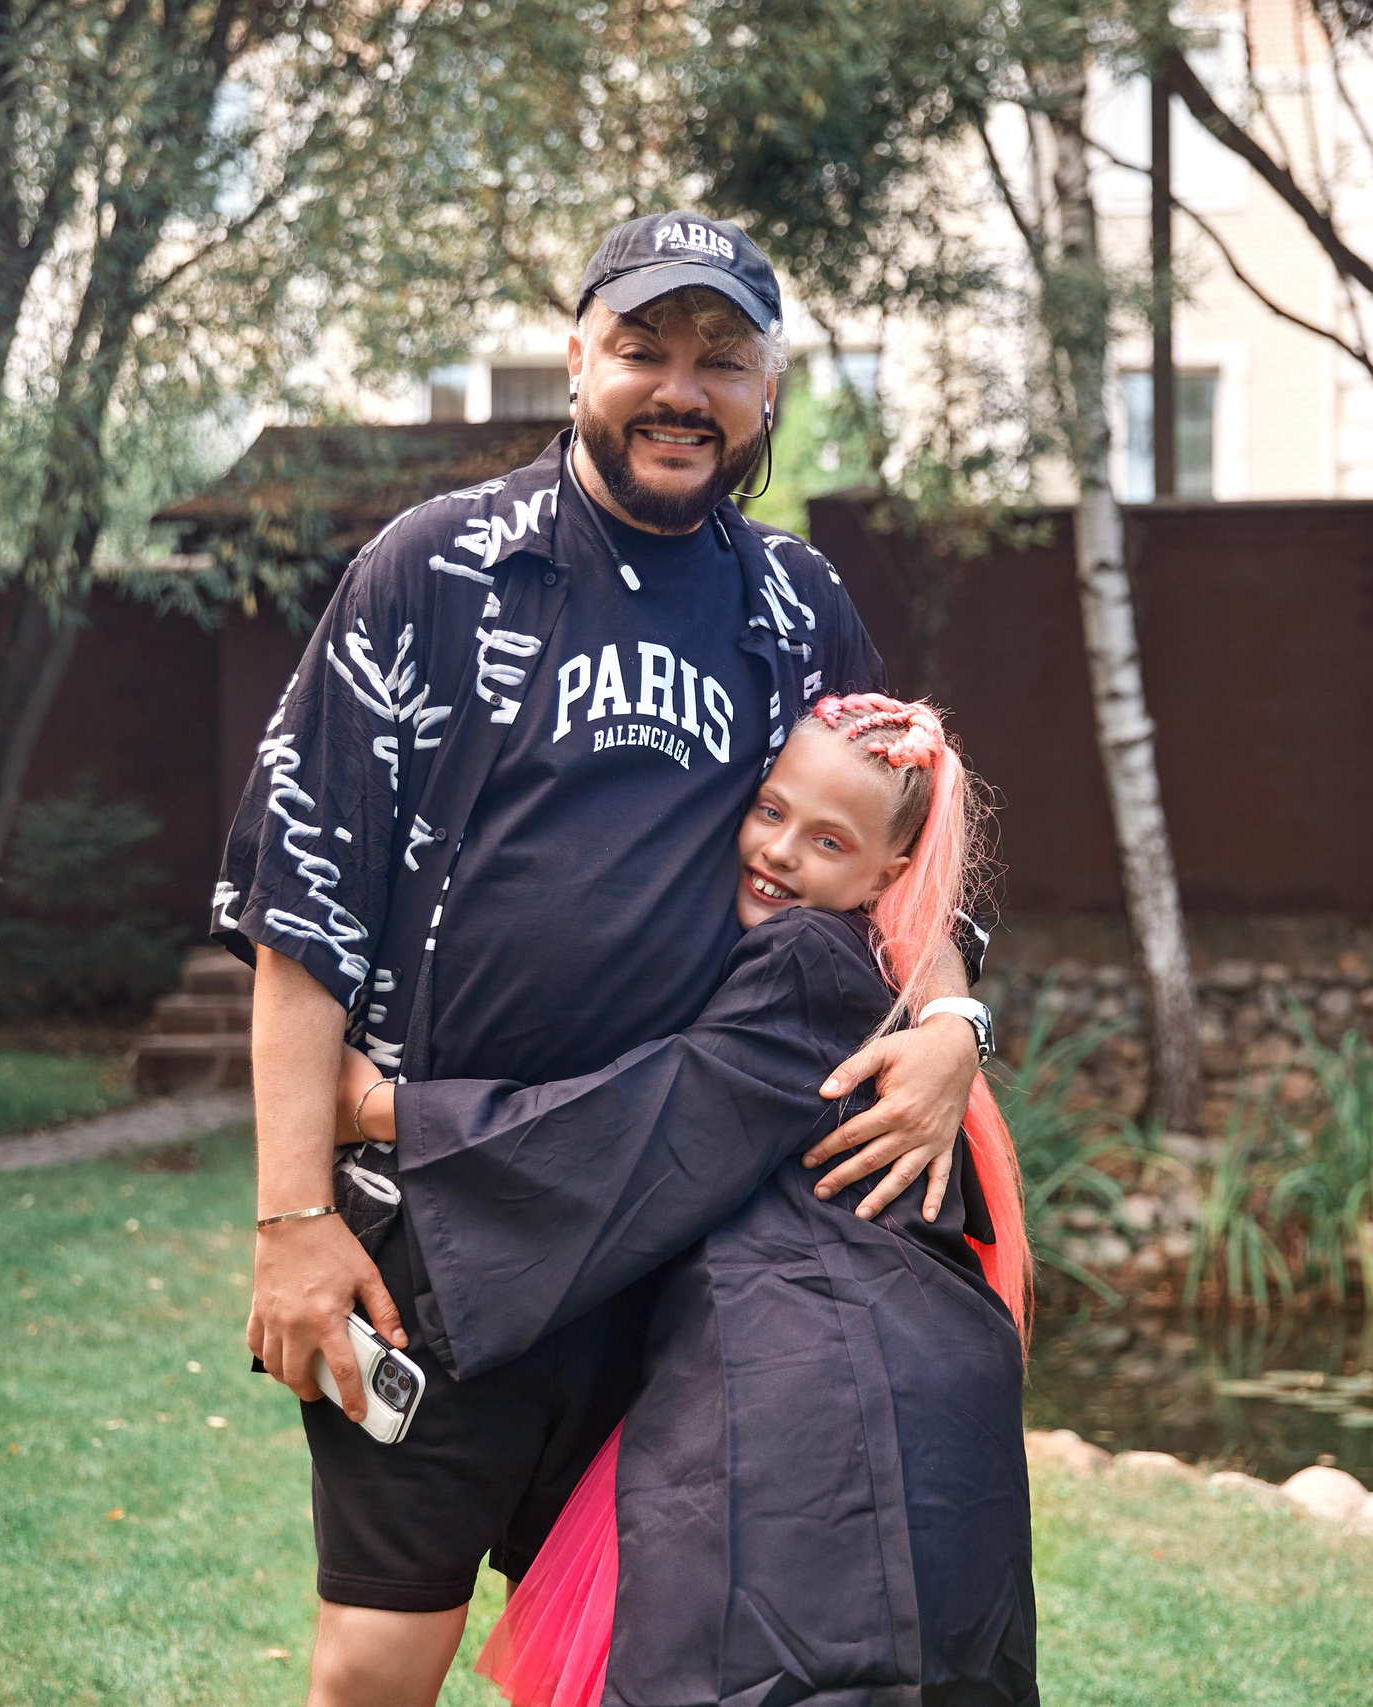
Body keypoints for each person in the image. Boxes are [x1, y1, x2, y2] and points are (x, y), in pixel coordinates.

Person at [213, 210, 999, 1707]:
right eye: (644, 347)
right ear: (577, 357)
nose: (680, 388)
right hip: (438, 1232)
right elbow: (299, 908)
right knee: (379, 1659)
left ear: (769, 389)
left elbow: (898, 843)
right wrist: (292, 1214)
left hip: (685, 1252)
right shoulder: (436, 570)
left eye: (723, 358)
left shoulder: (793, 605)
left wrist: (955, 1006)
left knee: (652, 1659)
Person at [340, 695, 1037, 1707]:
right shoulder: (878, 973)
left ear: (888, 875)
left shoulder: (805, 959)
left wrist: (380, 1108)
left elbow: (642, 1123)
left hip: (825, 1389)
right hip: (913, 1389)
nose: (782, 852)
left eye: (828, 839)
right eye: (769, 812)